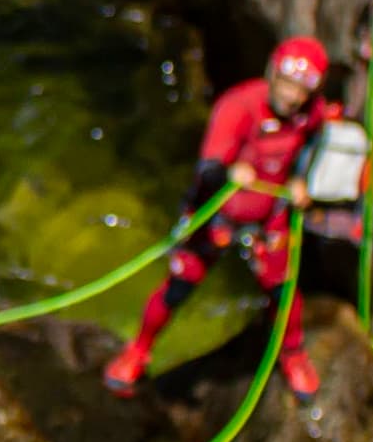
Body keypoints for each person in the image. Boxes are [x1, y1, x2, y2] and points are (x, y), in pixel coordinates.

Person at [103, 34, 357, 401]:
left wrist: (302, 180)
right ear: (272, 74)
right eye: (286, 84)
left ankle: (293, 353)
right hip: (216, 216)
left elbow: (314, 140)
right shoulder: (239, 106)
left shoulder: (310, 113)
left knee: (283, 291)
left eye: (301, 90)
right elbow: (208, 167)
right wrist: (230, 173)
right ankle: (138, 350)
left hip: (268, 219)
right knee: (179, 287)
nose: (291, 97)